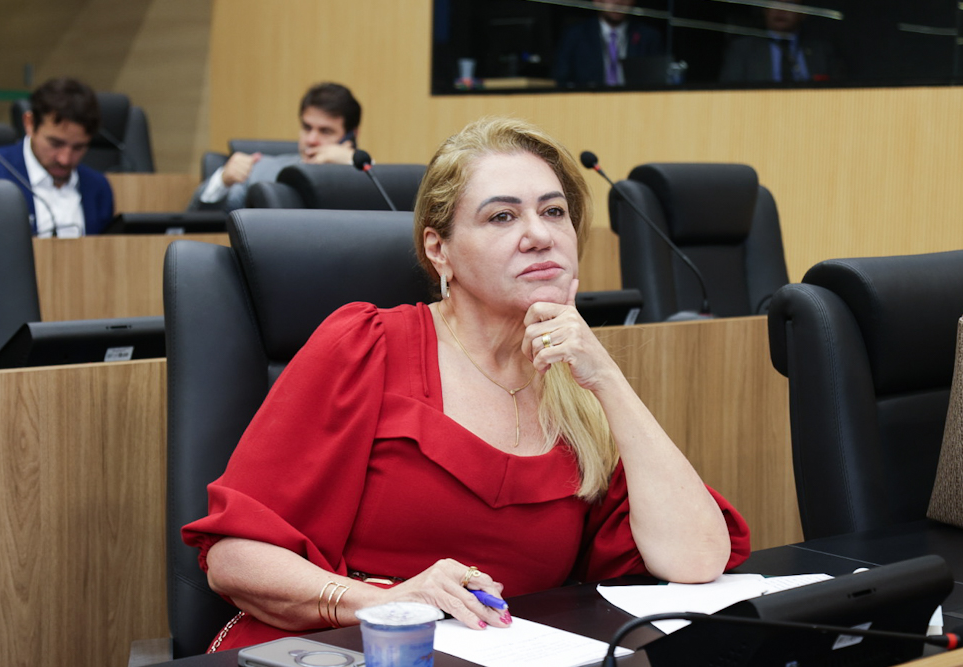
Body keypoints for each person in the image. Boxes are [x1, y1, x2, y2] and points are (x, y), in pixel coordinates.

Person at [181, 116, 751, 651]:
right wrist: (384, 603)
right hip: (339, 650)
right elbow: (235, 559)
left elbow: (696, 558)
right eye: (502, 217)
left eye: (554, 212)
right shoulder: (365, 346)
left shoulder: (577, 386)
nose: (540, 235)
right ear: (439, 250)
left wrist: (606, 379)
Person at [0, 76, 114, 237]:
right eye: (56, 144)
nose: (65, 159)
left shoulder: (98, 188)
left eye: (78, 147)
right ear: (29, 123)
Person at [189, 82, 361, 212]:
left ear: (351, 136)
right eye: (307, 128)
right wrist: (222, 182)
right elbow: (196, 223)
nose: (311, 140)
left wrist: (354, 165)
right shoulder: (260, 170)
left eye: (326, 131)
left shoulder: (365, 179)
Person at [719, 0, 840, 83]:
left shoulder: (821, 51)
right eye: (774, 2)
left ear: (803, 13)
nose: (781, 9)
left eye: (790, 3)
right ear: (765, 10)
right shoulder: (743, 50)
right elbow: (728, 93)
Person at [553, 0, 664, 87]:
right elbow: (561, 81)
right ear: (597, 1)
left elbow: (658, 83)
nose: (618, 1)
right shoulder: (575, 35)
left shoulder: (648, 37)